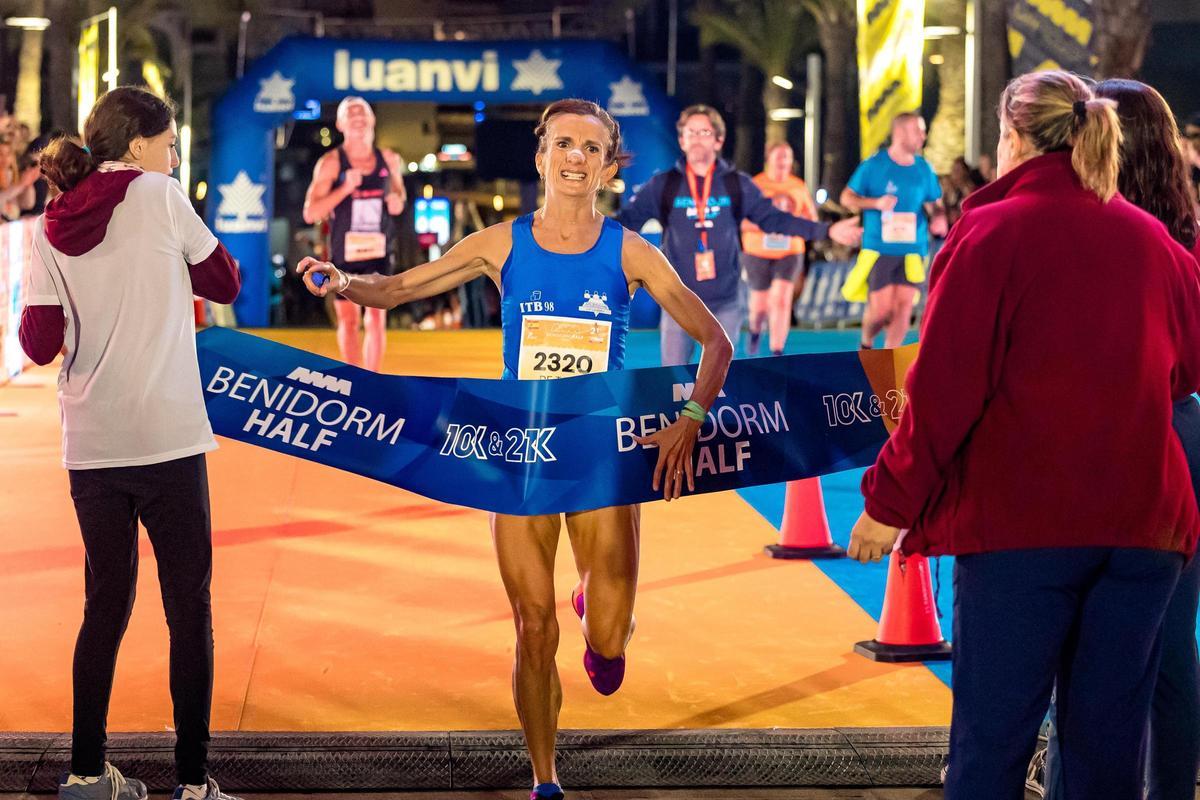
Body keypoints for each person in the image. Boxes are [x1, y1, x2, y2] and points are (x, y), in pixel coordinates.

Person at [297, 99, 733, 800]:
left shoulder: (630, 251)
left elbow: (718, 341)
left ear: (606, 166)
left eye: (592, 148)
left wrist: (689, 415)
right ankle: (545, 778)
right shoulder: (502, 243)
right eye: (564, 143)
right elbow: (402, 288)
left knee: (611, 643)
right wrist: (345, 282)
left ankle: (599, 612)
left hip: (597, 458)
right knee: (533, 627)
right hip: (519, 455)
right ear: (541, 157)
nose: (576, 157)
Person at [846, 70, 1200, 800]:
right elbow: (1187, 365)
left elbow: (943, 391)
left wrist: (889, 503)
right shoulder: (1153, 239)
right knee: (1108, 754)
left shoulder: (992, 232)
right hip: (1145, 528)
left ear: (1011, 137)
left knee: (993, 745)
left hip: (1022, 526)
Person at [17, 87, 242, 800]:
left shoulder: (46, 224)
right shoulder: (161, 194)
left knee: (104, 605)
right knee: (188, 610)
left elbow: (40, 343)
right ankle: (193, 781)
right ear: (141, 144)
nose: (174, 155)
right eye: (170, 142)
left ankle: (86, 772)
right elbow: (225, 278)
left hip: (92, 444)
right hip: (169, 435)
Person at [1032, 79, 1200, 800]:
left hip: (1118, 434)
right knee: (1171, 652)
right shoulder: (1184, 231)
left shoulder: (1099, 226)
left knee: (1091, 647)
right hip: (1186, 425)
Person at [616, 104, 860, 366]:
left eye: (705, 132)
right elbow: (627, 223)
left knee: (721, 383)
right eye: (691, 132)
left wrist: (828, 230)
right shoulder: (664, 185)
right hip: (678, 300)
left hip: (725, 302)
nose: (697, 138)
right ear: (681, 140)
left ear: (719, 140)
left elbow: (774, 219)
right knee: (673, 378)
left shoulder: (736, 184)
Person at [303, 96, 406, 371]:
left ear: (373, 120)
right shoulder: (331, 163)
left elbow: (399, 199)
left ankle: (373, 379)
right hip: (345, 253)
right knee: (348, 319)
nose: (358, 116)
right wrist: (344, 189)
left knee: (376, 319)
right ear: (340, 123)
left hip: (379, 251)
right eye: (350, 113)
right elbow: (310, 213)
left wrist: (397, 200)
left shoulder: (390, 159)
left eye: (363, 111)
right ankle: (354, 378)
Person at [839, 112, 947, 350]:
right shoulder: (874, 165)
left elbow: (934, 203)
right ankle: (866, 344)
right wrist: (875, 203)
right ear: (899, 133)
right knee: (881, 310)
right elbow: (846, 197)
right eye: (917, 130)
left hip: (913, 249)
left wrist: (939, 218)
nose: (923, 136)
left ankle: (889, 360)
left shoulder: (923, 168)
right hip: (880, 247)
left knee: (904, 307)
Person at [739, 142, 817, 356]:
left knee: (781, 300)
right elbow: (740, 222)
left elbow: (811, 220)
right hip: (757, 252)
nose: (783, 161)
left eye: (787, 157)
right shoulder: (754, 185)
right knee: (760, 306)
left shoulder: (798, 186)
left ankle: (777, 351)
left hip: (789, 251)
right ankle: (755, 332)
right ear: (768, 159)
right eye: (779, 157)